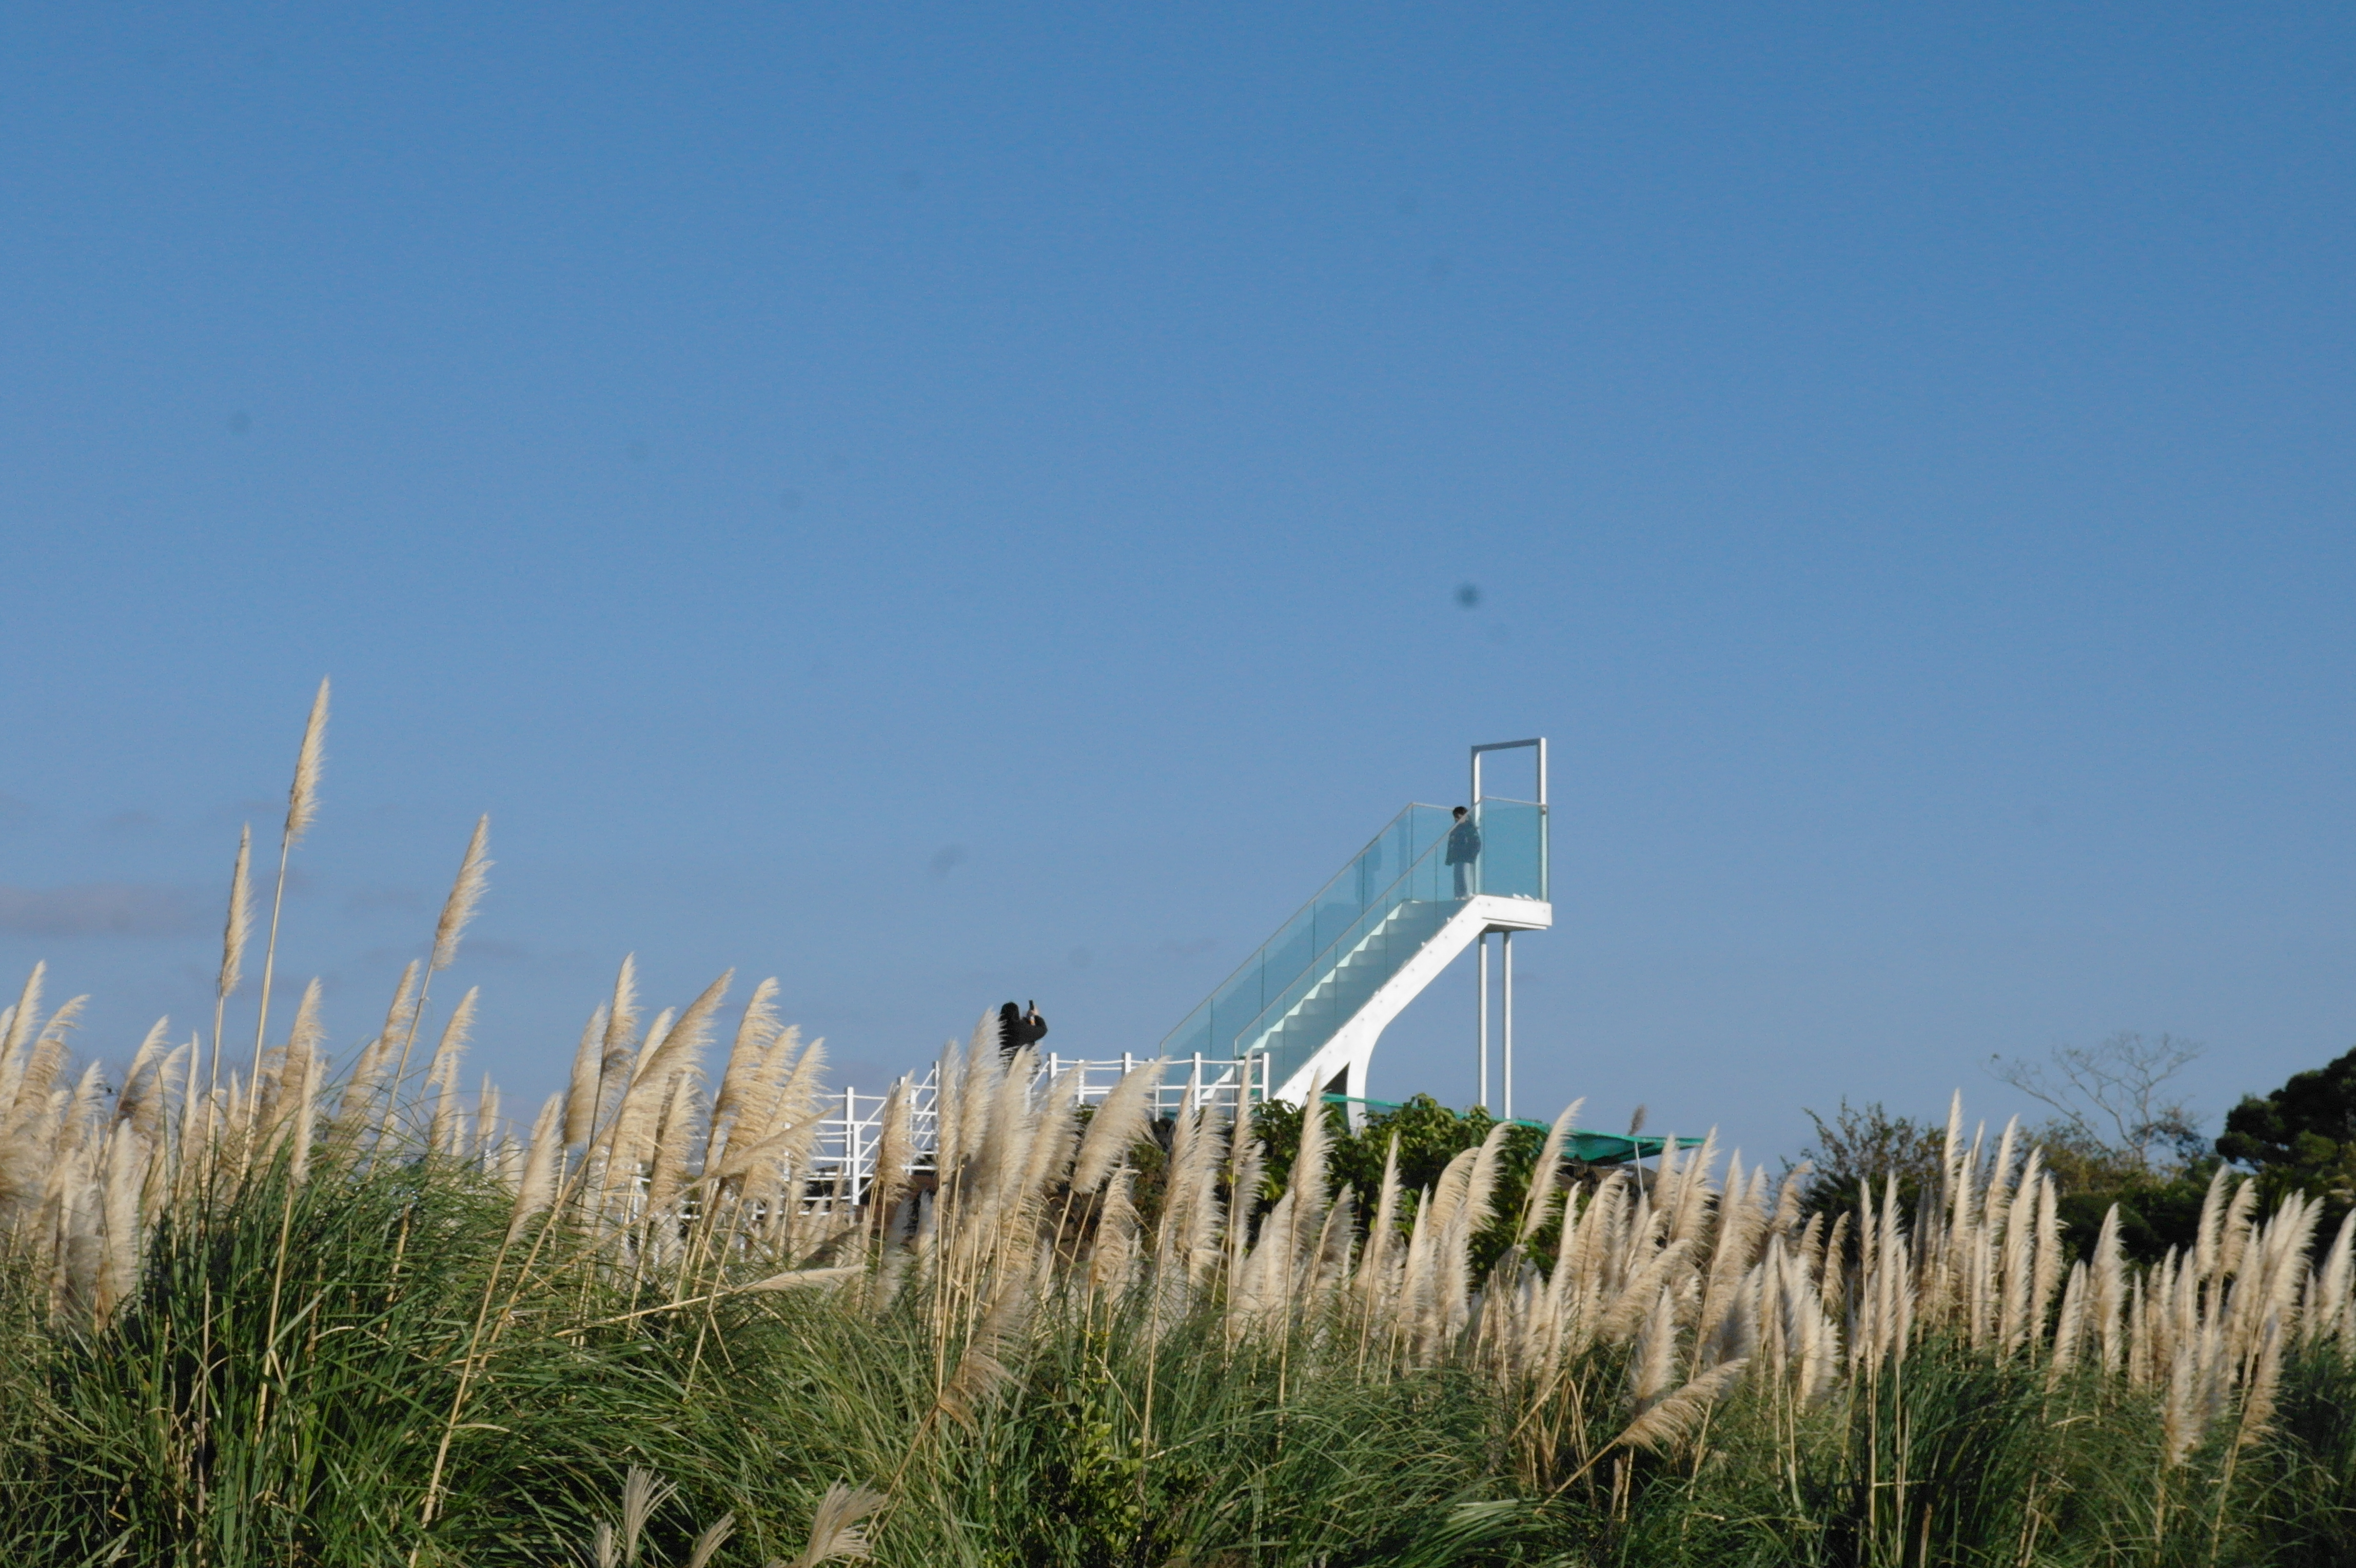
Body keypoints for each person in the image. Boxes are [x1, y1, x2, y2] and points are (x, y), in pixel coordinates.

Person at [1445, 805, 1481, 898]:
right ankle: (1459, 896)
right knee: (1458, 878)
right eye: (1456, 817)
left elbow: (1476, 843)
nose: (1457, 819)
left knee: (1465, 878)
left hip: (1466, 858)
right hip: (1457, 858)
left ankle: (1466, 896)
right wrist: (1449, 858)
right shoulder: (1456, 829)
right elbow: (1452, 844)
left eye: (1459, 816)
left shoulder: (1469, 828)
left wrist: (1471, 855)